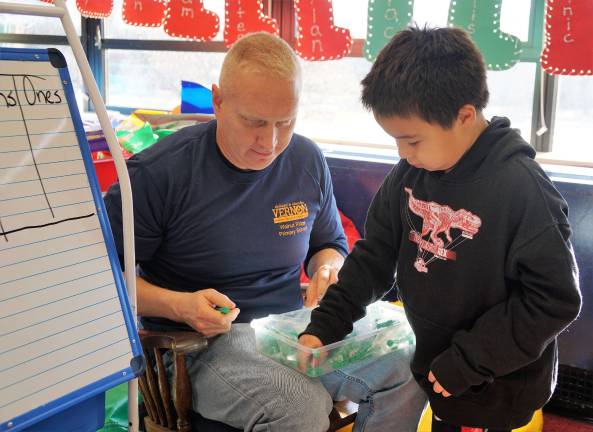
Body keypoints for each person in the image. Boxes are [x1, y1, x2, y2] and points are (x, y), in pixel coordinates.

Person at [105, 32, 425, 432]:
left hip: (288, 331)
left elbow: (329, 244)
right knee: (301, 406)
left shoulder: (305, 159)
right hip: (197, 346)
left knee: (411, 360)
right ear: (218, 101)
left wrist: (328, 268)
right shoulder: (157, 176)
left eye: (285, 122)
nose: (270, 142)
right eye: (254, 123)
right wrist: (179, 305)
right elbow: (99, 282)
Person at [299, 26, 582, 432]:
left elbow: (553, 301)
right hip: (441, 369)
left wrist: (467, 362)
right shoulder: (412, 173)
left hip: (496, 383)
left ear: (465, 115)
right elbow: (373, 257)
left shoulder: (523, 190)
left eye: (412, 140)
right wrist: (325, 327)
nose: (403, 153)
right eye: (396, 140)